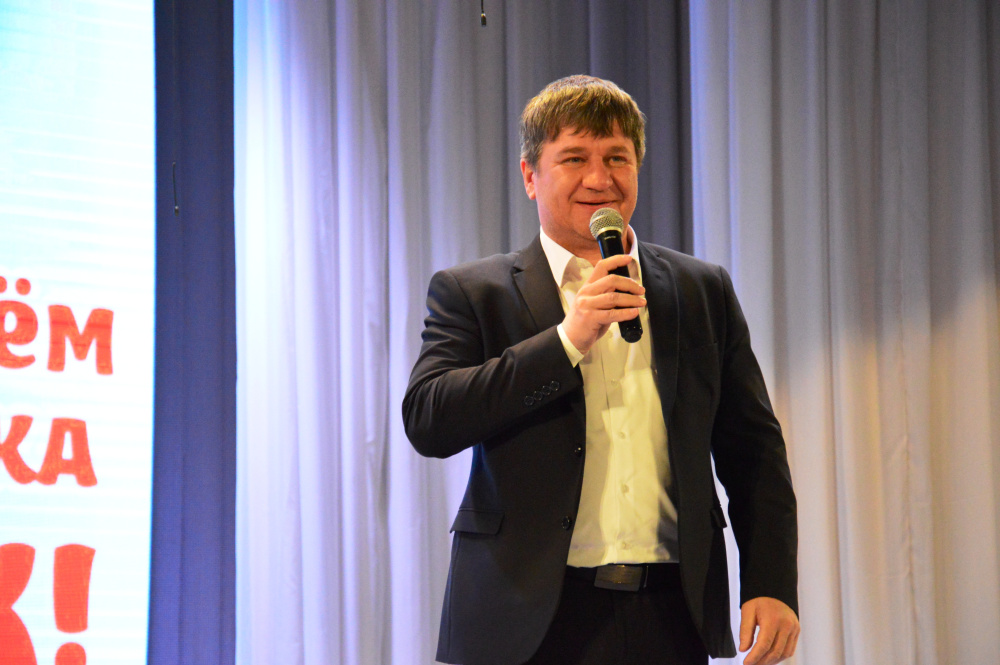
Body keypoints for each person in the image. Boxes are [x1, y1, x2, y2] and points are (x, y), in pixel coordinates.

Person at [402, 75, 799, 665]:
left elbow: (754, 450)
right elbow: (429, 419)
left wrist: (771, 582)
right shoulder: (473, 291)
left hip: (670, 612)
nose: (599, 178)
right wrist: (567, 340)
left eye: (617, 157)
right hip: (523, 618)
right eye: (574, 158)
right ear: (530, 175)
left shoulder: (701, 289)